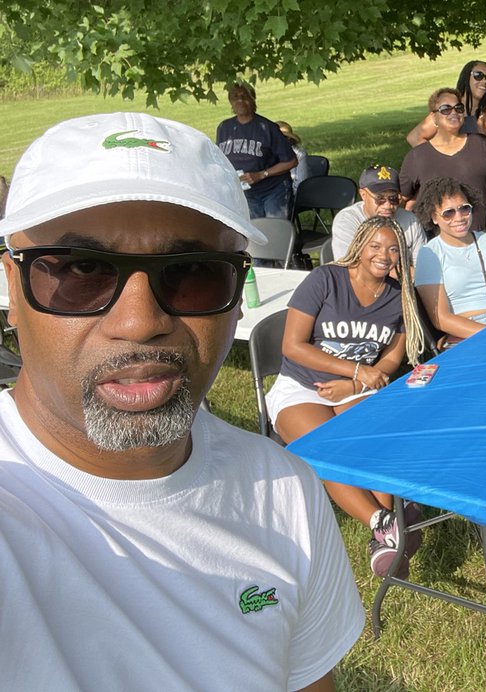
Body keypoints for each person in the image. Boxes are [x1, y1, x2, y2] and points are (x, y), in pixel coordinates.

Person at [0, 112, 361, 690]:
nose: (140, 323)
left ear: (239, 293)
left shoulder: (286, 490)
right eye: (80, 271)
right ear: (11, 289)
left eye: (192, 272)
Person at [267, 216, 426, 579]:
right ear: (359, 246)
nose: (383, 256)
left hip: (358, 387)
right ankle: (385, 522)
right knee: (327, 449)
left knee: (376, 443)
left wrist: (355, 385)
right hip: (304, 386)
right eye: (375, 246)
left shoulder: (397, 296)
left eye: (391, 249)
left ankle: (385, 540)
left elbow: (391, 358)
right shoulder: (326, 279)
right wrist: (354, 372)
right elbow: (292, 346)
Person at [413, 177, 486, 345]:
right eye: (449, 213)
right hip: (469, 330)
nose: (459, 217)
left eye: (464, 209)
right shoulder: (430, 253)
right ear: (434, 217)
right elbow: (440, 318)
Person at [398, 88, 486, 231]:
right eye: (445, 109)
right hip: (436, 242)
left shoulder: (483, 144)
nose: (453, 112)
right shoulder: (417, 156)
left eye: (458, 108)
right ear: (433, 117)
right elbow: (400, 199)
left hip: (481, 235)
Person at [216, 80, 298, 219]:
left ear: (252, 99)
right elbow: (220, 160)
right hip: (245, 193)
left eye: (245, 96)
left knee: (274, 231)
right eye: (235, 97)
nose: (240, 100)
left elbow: (291, 161)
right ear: (230, 102)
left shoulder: (267, 128)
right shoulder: (224, 128)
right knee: (254, 233)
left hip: (273, 191)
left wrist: (261, 174)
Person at [332, 164, 425, 261]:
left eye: (393, 198)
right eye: (380, 198)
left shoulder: (410, 220)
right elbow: (348, 266)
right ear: (363, 195)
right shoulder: (347, 220)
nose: (388, 206)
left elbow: (423, 266)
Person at [406, 59, 486, 147]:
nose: (484, 81)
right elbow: (414, 137)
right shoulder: (450, 108)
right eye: (478, 75)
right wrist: (439, 159)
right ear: (466, 77)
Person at [277, 120, 312, 193]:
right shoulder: (267, 153)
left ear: (288, 138)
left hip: (292, 195)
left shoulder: (299, 154)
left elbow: (301, 183)